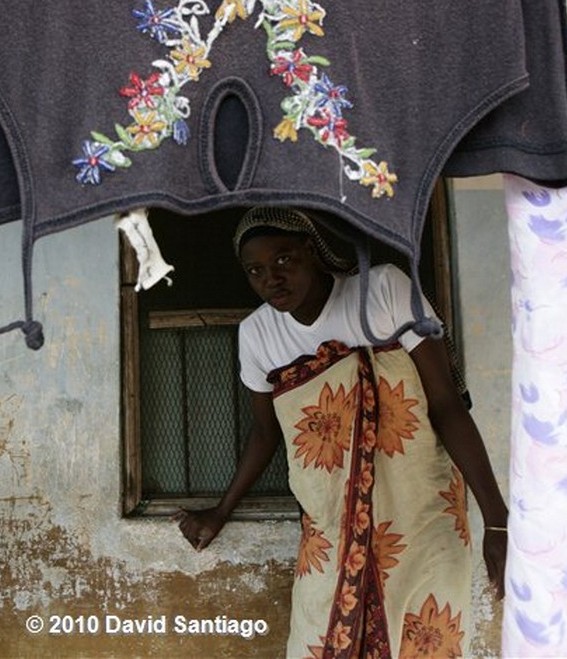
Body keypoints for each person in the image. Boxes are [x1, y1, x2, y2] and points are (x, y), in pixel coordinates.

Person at [175, 206, 508, 658]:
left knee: (425, 641)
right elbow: (265, 432)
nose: (271, 279)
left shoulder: (384, 290)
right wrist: (221, 509)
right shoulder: (258, 334)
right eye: (255, 271)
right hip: (330, 521)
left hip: (423, 514)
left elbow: (445, 404)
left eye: (283, 260)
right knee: (321, 638)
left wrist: (497, 520)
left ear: (311, 251)